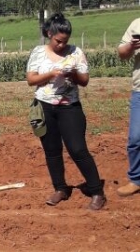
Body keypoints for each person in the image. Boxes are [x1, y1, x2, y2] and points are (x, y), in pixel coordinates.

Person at [26, 13, 105, 210]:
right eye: (58, 41)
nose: (62, 45)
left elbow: (85, 81)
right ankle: (60, 188)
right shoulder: (38, 52)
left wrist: (73, 73)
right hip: (44, 106)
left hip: (70, 107)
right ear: (49, 34)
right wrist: (51, 73)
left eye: (65, 41)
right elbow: (31, 80)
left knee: (78, 149)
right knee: (52, 151)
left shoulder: (76, 52)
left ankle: (97, 192)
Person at [116, 17, 140, 197]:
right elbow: (122, 54)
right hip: (139, 91)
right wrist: (132, 46)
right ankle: (136, 179)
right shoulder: (136, 24)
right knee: (135, 139)